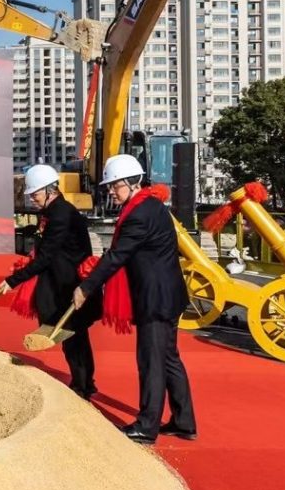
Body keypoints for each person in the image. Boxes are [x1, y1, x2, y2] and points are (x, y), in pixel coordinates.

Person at [72, 154, 195, 444]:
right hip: (168, 295)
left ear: (133, 182)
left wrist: (86, 287)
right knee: (169, 358)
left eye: (115, 186)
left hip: (156, 299)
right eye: (110, 187)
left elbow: (117, 256)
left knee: (152, 362)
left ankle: (146, 426)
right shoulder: (151, 206)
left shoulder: (139, 214)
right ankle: (184, 421)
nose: (111, 192)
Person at [0, 165, 100, 398]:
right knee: (72, 337)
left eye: (35, 194)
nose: (32, 198)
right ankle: (84, 382)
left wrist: (13, 280)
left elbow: (46, 256)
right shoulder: (55, 211)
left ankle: (82, 386)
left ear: (50, 190)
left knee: (73, 337)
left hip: (69, 285)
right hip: (63, 282)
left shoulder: (60, 214)